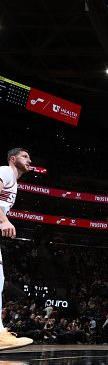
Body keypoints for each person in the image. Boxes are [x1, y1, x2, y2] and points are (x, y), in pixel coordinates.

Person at [0, 148, 34, 351]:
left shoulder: (14, 183)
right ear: (13, 159)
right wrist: (3, 220)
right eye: (25, 156)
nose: (29, 160)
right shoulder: (5, 171)